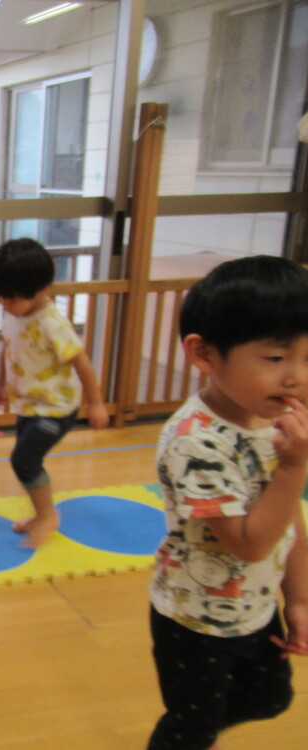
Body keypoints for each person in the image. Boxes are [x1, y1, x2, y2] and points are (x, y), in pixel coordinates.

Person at [147, 255, 308, 749]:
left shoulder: (270, 419)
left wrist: (299, 597)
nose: (296, 377)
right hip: (195, 620)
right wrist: (295, 468)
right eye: (276, 358)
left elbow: (290, 520)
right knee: (188, 729)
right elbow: (249, 544)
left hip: (256, 608)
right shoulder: (195, 443)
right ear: (204, 354)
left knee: (269, 699)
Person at [0, 237, 109, 547]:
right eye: (0, 299)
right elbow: (7, 348)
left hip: (56, 409)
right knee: (27, 462)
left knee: (24, 461)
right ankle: (42, 513)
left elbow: (81, 363)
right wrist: (1, 383)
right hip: (28, 406)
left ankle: (47, 515)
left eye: (10, 299)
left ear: (41, 291)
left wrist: (95, 403)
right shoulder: (13, 313)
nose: (5, 305)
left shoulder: (53, 324)